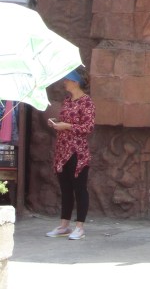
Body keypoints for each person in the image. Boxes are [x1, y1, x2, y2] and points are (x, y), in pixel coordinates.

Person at [46, 68, 95, 241]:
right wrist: (56, 123)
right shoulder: (67, 101)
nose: (64, 82)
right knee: (65, 188)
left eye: (67, 80)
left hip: (77, 151)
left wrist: (66, 126)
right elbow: (66, 121)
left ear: (75, 82)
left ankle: (80, 226)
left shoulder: (86, 102)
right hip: (62, 149)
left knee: (79, 189)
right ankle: (64, 224)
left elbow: (88, 127)